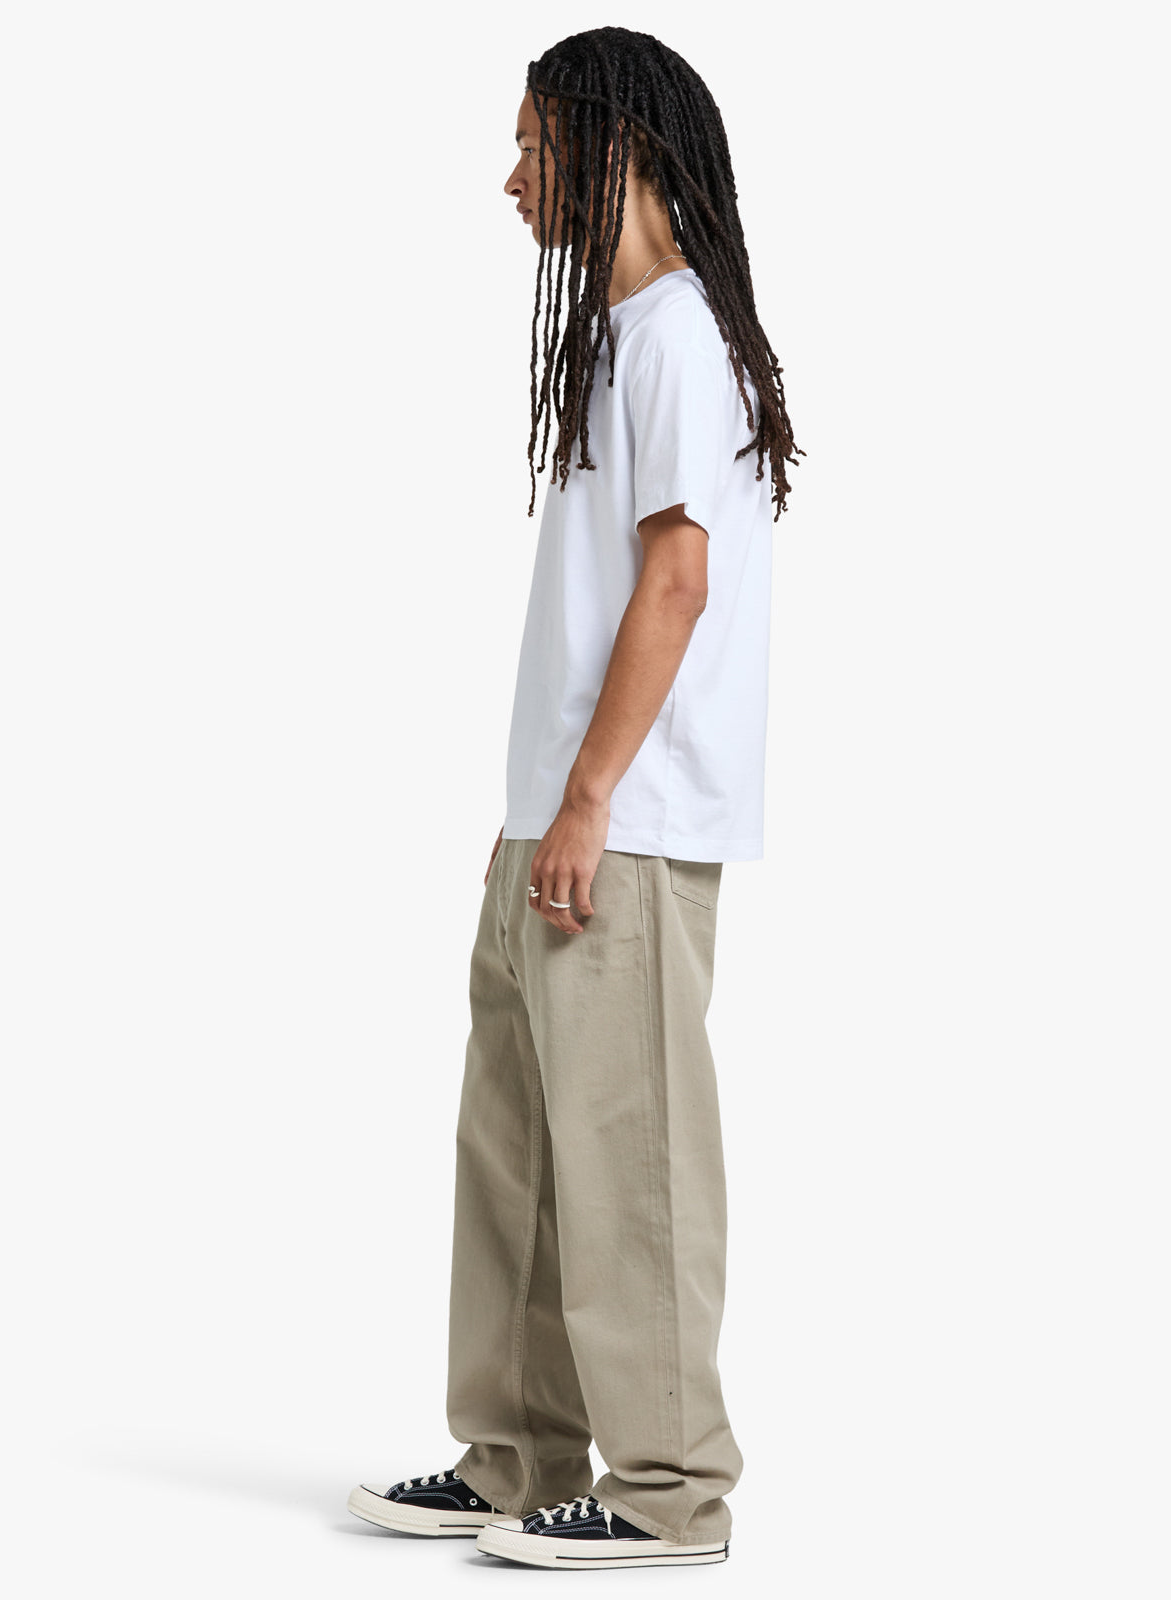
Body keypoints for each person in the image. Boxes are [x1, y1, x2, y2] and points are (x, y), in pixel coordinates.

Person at [348, 25, 802, 1572]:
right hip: (557, 819)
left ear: (626, 150)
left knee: (631, 1157)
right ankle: (517, 1458)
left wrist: (593, 797)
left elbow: (676, 583)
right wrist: (536, 807)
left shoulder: (678, 338)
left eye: (535, 147)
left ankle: (669, 1492)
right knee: (520, 1154)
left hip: (630, 824)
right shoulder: (618, 343)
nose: (512, 178)